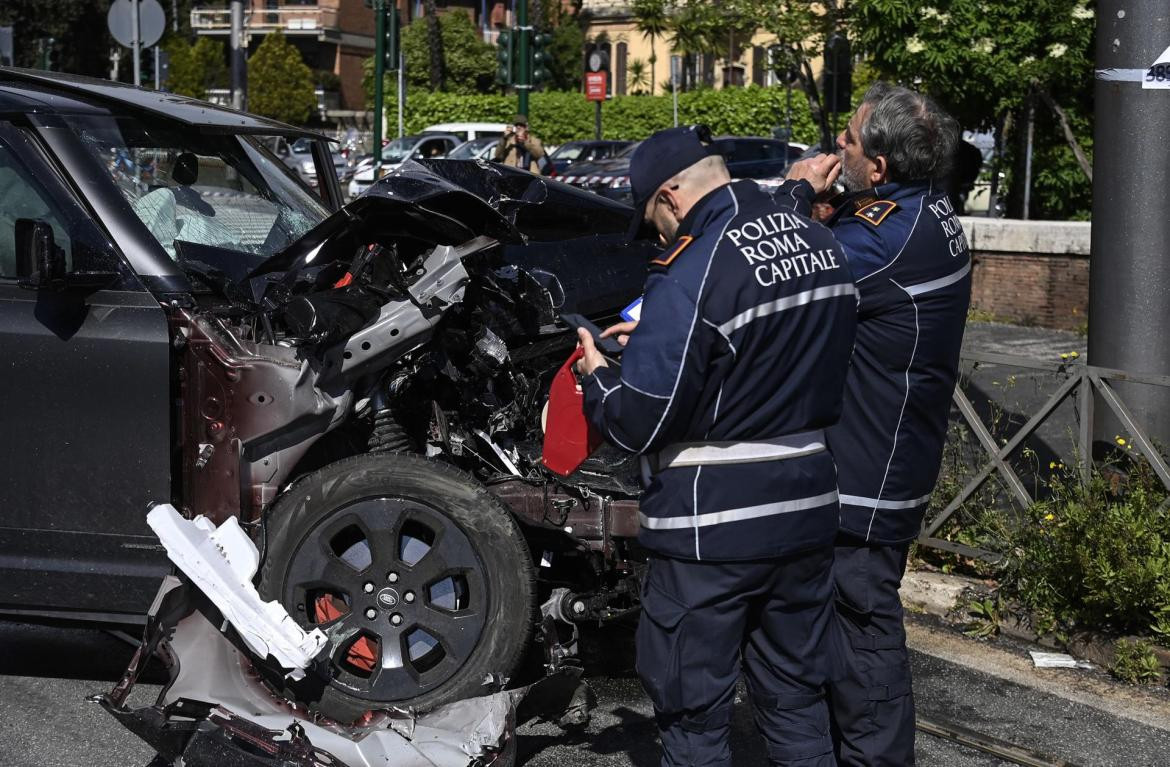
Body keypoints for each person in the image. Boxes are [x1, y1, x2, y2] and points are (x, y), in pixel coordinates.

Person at [575, 124, 858, 767]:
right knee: (796, 704)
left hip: (712, 527)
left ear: (672, 195)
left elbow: (638, 423)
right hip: (810, 505)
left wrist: (600, 377)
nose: (656, 234)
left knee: (694, 719)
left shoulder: (688, 272)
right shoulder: (819, 241)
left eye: (652, 217)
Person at [821, 82, 970, 766]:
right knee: (849, 628)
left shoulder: (881, 237)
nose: (836, 150)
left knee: (862, 632)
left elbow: (789, 279)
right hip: (892, 453)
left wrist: (795, 200)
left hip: (866, 472)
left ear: (878, 167)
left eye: (847, 142)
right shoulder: (926, 210)